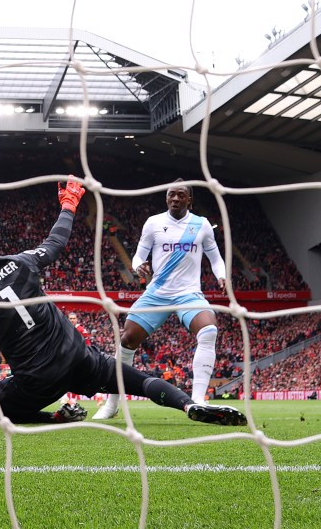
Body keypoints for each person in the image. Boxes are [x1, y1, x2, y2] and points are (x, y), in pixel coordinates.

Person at [0, 178, 245, 428]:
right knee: (139, 379)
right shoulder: (22, 261)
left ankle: (54, 417)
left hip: (37, 380)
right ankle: (188, 405)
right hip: (79, 357)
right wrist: (69, 204)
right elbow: (57, 240)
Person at [94, 179, 225, 420]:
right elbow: (138, 256)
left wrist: (221, 276)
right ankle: (112, 404)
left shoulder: (202, 225)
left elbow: (215, 257)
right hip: (157, 294)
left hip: (188, 293)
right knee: (127, 339)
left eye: (180, 195)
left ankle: (198, 400)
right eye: (171, 195)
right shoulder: (154, 223)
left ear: (189, 200)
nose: (175, 199)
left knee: (208, 330)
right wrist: (138, 266)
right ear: (166, 198)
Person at [60, 312, 91, 406]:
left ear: (77, 319)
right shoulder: (64, 328)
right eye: (70, 318)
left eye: (74, 318)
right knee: (63, 377)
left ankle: (72, 399)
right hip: (66, 357)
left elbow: (88, 344)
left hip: (78, 357)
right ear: (68, 319)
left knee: (75, 378)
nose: (72, 320)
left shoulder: (81, 330)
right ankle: (64, 398)